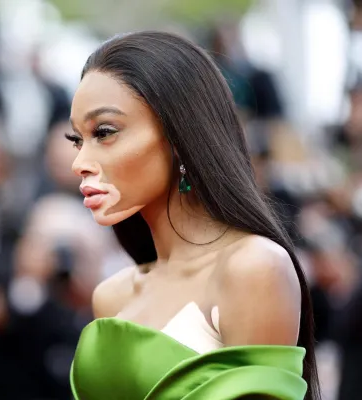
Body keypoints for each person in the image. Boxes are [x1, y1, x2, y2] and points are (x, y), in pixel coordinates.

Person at [66, 31, 320, 400]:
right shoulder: (110, 296)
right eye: (77, 139)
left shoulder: (254, 268)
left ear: (180, 135)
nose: (79, 163)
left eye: (104, 132)